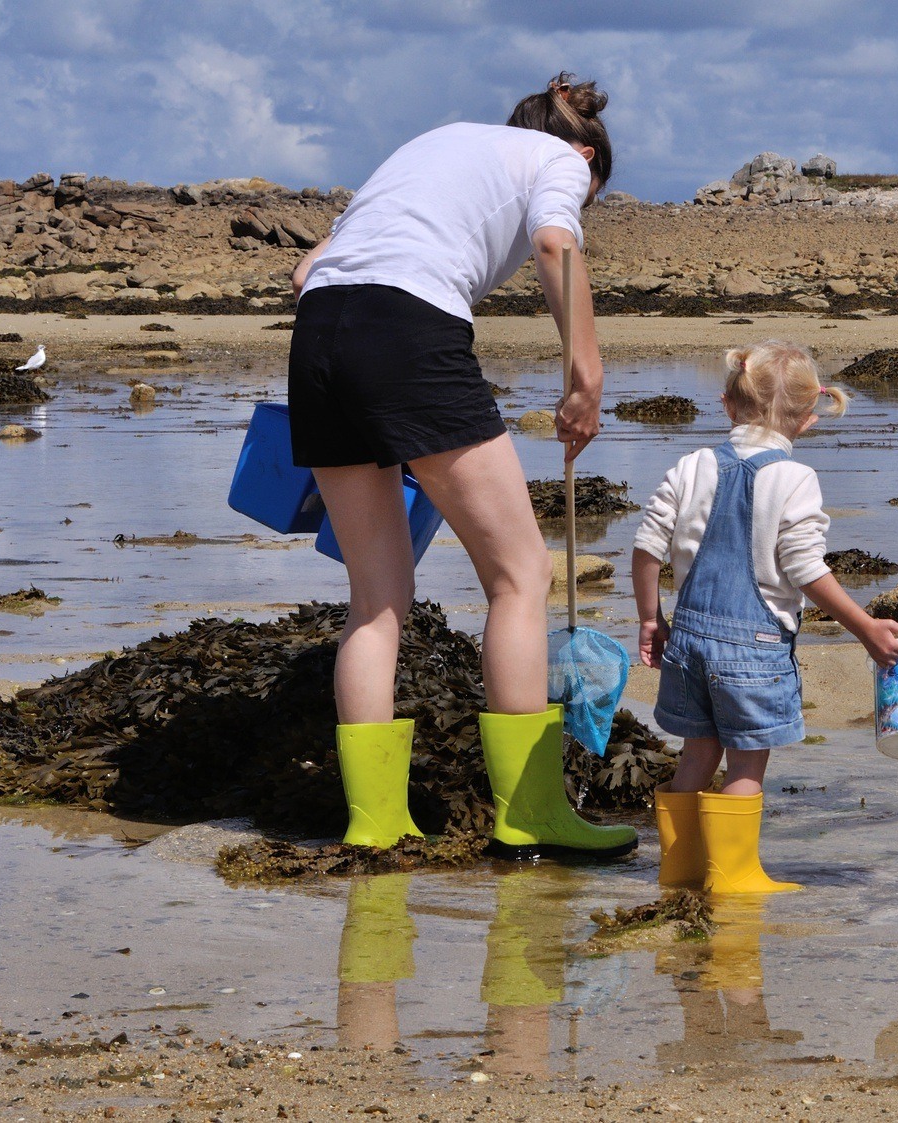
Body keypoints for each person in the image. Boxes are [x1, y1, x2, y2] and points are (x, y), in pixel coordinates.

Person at [287, 73, 635, 859]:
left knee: (375, 595)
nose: (584, 200)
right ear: (584, 153)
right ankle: (530, 812)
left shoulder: (433, 144)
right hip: (406, 328)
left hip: (318, 335)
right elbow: (554, 244)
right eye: (593, 193)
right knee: (520, 574)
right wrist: (586, 377)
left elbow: (307, 271)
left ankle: (374, 822)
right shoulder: (559, 161)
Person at [631, 341, 898, 894]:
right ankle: (734, 878)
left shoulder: (692, 466)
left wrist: (649, 618)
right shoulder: (795, 478)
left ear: (728, 405)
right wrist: (866, 629)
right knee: (744, 767)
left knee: (696, 754)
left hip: (687, 640)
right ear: (809, 419)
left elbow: (645, 546)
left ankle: (680, 871)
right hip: (754, 649)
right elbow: (806, 569)